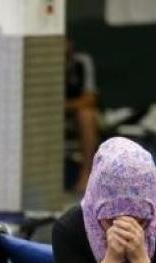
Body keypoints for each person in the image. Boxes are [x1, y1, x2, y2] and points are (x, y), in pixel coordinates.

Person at [66, 39, 101, 193]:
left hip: (75, 111)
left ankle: (86, 175)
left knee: (86, 116)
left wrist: (66, 106)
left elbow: (90, 99)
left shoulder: (81, 62)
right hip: (47, 113)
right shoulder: (42, 62)